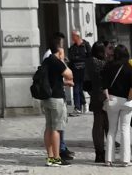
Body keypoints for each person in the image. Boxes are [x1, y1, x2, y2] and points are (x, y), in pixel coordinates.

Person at [38, 37, 72, 167]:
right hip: (56, 99)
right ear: (59, 49)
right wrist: (63, 60)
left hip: (46, 98)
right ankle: (57, 158)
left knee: (48, 127)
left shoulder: (46, 61)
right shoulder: (57, 61)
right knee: (56, 129)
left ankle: (50, 157)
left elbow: (52, 79)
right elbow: (69, 75)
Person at [103, 44, 132, 166]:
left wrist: (107, 97)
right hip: (126, 101)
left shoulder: (108, 66)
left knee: (111, 130)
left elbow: (104, 85)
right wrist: (129, 98)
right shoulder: (130, 68)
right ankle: (125, 160)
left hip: (112, 99)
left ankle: (109, 159)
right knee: (125, 129)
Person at [83, 42, 107, 163]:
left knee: (97, 125)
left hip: (95, 96)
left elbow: (86, 83)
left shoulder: (88, 63)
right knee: (106, 125)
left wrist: (92, 93)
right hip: (105, 96)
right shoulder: (104, 63)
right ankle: (107, 152)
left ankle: (99, 153)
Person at [68, 31, 91, 115]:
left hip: (84, 71)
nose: (71, 38)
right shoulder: (72, 47)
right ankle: (78, 107)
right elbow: (71, 59)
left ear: (77, 36)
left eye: (73, 36)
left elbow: (90, 57)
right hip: (75, 71)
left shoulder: (86, 45)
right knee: (77, 88)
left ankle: (81, 105)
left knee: (79, 88)